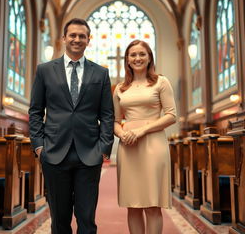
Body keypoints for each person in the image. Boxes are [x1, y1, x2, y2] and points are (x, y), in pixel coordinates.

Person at [29, 18, 114, 234]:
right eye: (73, 35)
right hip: (54, 153)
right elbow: (36, 111)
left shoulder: (100, 73)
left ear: (88, 40)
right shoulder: (45, 70)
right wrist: (39, 147)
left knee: (87, 219)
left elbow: (107, 114)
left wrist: (103, 148)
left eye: (82, 36)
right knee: (59, 219)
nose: (77, 39)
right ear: (64, 38)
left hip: (89, 154)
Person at [113, 40, 176, 234]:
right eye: (133, 55)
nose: (137, 58)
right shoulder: (120, 88)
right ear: (127, 60)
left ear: (149, 58)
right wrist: (122, 134)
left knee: (152, 204)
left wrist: (142, 130)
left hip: (153, 145)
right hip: (129, 146)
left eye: (142, 54)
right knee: (133, 204)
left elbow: (171, 115)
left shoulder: (161, 82)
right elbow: (115, 121)